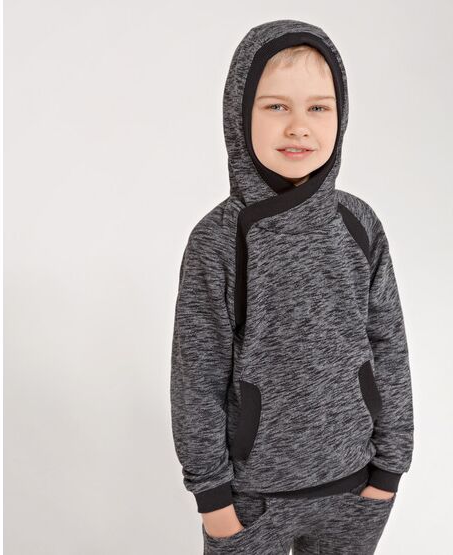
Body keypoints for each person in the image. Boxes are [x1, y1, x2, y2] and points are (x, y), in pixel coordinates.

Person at [170, 19, 414, 555]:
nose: (299, 127)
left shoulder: (359, 224)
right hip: (252, 500)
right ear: (240, 115)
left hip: (355, 488)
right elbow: (197, 376)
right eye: (277, 106)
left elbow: (388, 346)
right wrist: (213, 499)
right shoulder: (217, 239)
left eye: (318, 107)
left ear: (341, 116)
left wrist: (390, 468)